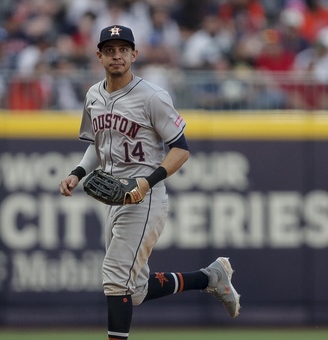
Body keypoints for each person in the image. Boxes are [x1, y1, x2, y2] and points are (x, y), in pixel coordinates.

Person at [59, 25, 241, 340]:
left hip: (145, 198)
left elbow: (181, 150)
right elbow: (96, 144)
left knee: (115, 279)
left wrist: (147, 181)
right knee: (136, 290)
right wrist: (77, 172)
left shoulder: (152, 96)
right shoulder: (93, 95)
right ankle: (209, 277)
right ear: (99, 55)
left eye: (123, 50)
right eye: (110, 50)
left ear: (134, 55)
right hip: (113, 199)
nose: (117, 56)